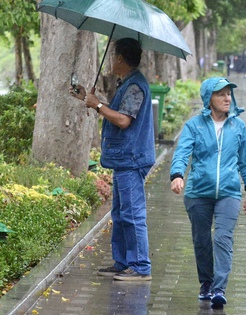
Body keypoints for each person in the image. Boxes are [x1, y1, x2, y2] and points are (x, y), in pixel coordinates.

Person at [70, 38, 155, 281]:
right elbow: (118, 113)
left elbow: (123, 120)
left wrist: (97, 105)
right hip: (123, 159)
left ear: (119, 58)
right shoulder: (127, 84)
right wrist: (90, 99)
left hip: (131, 158)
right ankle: (123, 262)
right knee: (119, 214)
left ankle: (140, 267)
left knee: (132, 214)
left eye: (112, 56)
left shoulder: (135, 86)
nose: (110, 60)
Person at [170, 77, 246, 309]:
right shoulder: (194, 125)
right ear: (209, 98)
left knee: (222, 238)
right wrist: (177, 174)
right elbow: (181, 152)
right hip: (198, 192)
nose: (227, 98)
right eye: (221, 94)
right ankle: (206, 283)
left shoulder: (238, 126)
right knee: (201, 240)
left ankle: (219, 288)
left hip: (229, 191)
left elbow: (245, 161)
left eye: (229, 94)